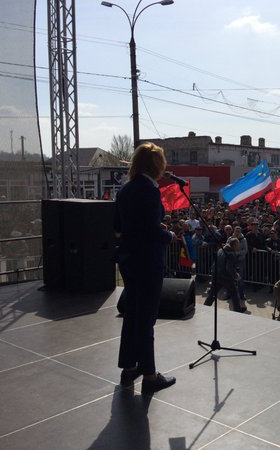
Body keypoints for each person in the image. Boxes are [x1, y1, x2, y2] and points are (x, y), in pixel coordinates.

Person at [114, 142, 176, 393]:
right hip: (147, 262)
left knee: (132, 315)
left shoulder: (126, 189)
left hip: (129, 259)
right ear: (156, 165)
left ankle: (129, 369)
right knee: (146, 319)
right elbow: (151, 232)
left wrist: (149, 229)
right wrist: (168, 235)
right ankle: (149, 376)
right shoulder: (150, 191)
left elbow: (120, 226)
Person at [204, 237, 247, 313]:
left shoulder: (221, 250)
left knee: (213, 293)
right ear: (234, 245)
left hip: (216, 274)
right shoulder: (231, 254)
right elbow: (229, 267)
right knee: (234, 293)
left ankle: (205, 306)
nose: (239, 246)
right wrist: (236, 276)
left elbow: (215, 263)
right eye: (238, 245)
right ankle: (237, 310)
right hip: (225, 277)